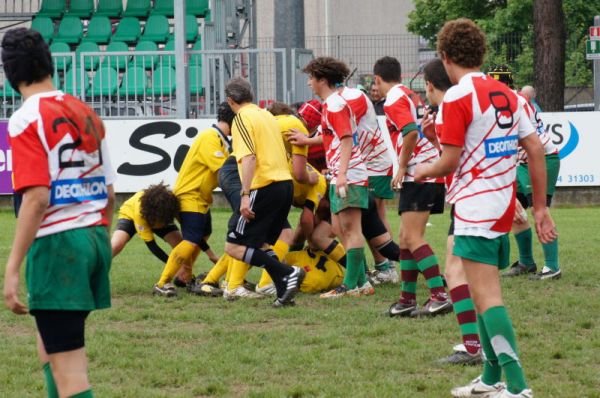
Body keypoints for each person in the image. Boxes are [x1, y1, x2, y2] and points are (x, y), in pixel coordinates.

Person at [414, 18, 557, 398]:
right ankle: (492, 377)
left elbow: (448, 162)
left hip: (476, 207)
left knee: (488, 296)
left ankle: (518, 386)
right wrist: (539, 207)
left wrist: (419, 170)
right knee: (479, 293)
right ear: (481, 53)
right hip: (499, 202)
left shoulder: (458, 96)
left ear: (445, 57)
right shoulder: (508, 94)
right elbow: (536, 148)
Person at [2, 27, 115, 398]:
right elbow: (110, 191)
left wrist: (12, 267)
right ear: (50, 64)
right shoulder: (84, 111)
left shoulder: (25, 118)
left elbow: (36, 198)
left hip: (59, 246)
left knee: (71, 373)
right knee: (49, 344)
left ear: (9, 74)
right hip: (95, 237)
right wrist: (97, 237)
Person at [373, 56, 451, 317]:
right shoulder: (407, 94)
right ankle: (407, 299)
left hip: (420, 174)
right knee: (405, 238)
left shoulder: (394, 99)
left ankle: (439, 294)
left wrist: (403, 166)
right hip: (424, 173)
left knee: (413, 238)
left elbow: (410, 131)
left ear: (377, 79)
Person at [420, 58, 483, 364]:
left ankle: (474, 346)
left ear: (431, 86)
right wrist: (434, 139)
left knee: (459, 272)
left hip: (470, 200)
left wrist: (420, 171)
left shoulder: (451, 107)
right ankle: (480, 344)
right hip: (475, 198)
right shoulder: (468, 103)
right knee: (468, 272)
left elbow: (451, 162)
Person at [223, 77, 305, 308]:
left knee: (234, 245)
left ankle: (288, 273)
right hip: (284, 185)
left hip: (264, 185)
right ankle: (284, 292)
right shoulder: (267, 115)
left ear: (230, 100)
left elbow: (248, 157)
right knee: (262, 245)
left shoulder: (241, 118)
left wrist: (245, 194)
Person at [302, 57, 372, 298]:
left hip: (349, 174)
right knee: (336, 227)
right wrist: (306, 141)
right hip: (340, 173)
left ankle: (352, 285)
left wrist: (341, 173)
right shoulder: (330, 104)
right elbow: (330, 135)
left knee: (351, 229)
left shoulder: (335, 105)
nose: (309, 82)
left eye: (311, 78)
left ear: (322, 79)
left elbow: (345, 138)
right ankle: (361, 282)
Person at [152, 101, 235, 297]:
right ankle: (162, 283)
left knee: (203, 235)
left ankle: (185, 277)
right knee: (190, 240)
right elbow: (223, 170)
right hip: (190, 196)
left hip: (200, 197)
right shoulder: (210, 137)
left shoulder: (220, 139)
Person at [488, 72, 562, 281]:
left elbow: (516, 139)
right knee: (514, 210)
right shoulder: (508, 100)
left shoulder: (512, 101)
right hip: (523, 161)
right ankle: (526, 262)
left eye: (492, 82)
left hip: (541, 158)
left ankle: (552, 266)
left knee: (541, 210)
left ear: (502, 84)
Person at [111, 183, 181, 261]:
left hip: (158, 215)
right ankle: (96, 267)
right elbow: (152, 246)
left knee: (181, 246)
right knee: (116, 245)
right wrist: (171, 265)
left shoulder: (168, 207)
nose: (161, 227)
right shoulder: (140, 215)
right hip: (129, 215)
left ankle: (186, 271)